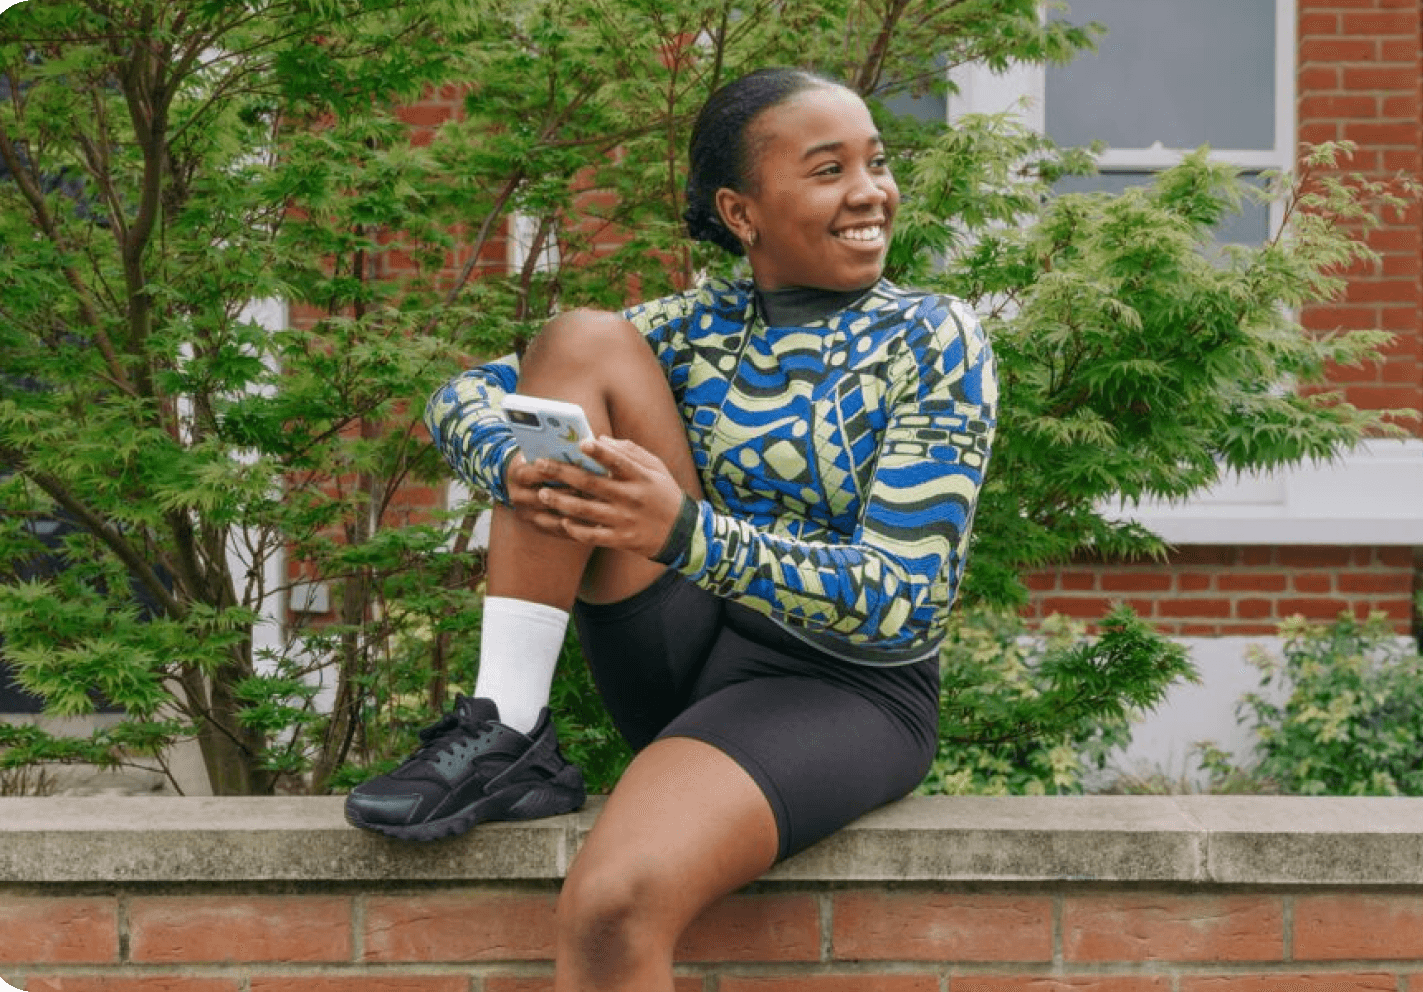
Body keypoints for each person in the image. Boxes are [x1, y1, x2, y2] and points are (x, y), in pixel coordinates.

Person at [345, 66, 998, 991]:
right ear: (741, 212)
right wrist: (518, 462)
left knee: (613, 908)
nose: (871, 193)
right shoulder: (693, 329)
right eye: (828, 170)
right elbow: (459, 398)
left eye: (875, 163)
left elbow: (903, 604)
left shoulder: (934, 338)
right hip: (677, 638)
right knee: (576, 343)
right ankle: (509, 727)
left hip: (834, 688)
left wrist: (684, 532)